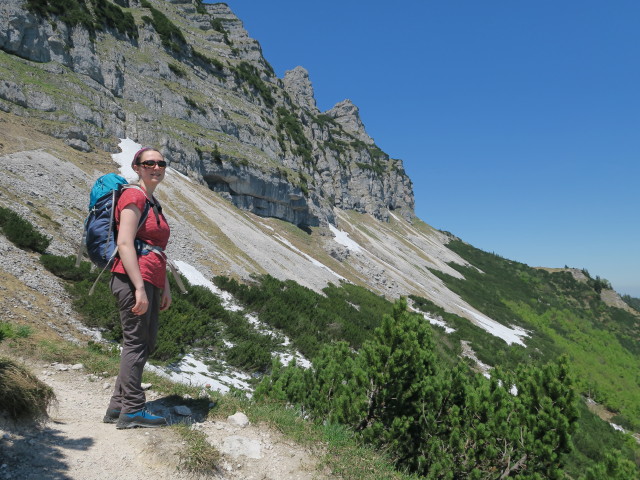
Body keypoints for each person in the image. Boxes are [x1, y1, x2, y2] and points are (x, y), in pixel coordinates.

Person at [103, 147, 172, 429]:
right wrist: (140, 288)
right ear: (137, 167)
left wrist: (164, 285)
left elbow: (156, 249)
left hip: (151, 279)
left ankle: (117, 406)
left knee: (145, 343)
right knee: (136, 343)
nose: (156, 167)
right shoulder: (133, 196)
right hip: (133, 280)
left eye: (161, 163)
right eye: (149, 163)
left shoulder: (152, 201)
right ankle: (132, 409)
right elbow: (125, 243)